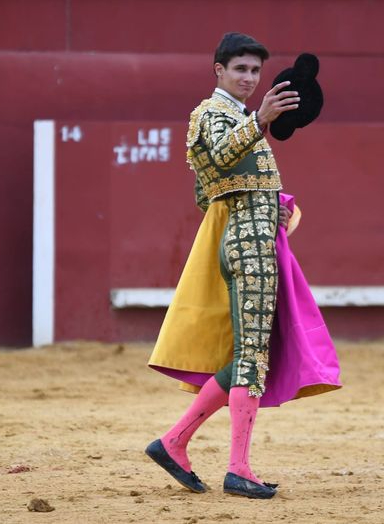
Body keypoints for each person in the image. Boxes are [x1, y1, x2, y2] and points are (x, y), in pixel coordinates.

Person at [145, 32, 340, 500]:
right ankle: (238, 468)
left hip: (253, 240)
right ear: (219, 70)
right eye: (240, 70)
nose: (249, 79)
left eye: (255, 71)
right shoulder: (211, 113)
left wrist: (270, 208)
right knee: (253, 356)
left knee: (247, 354)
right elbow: (220, 159)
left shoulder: (235, 117)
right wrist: (261, 121)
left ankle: (173, 443)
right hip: (247, 248)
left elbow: (209, 186)